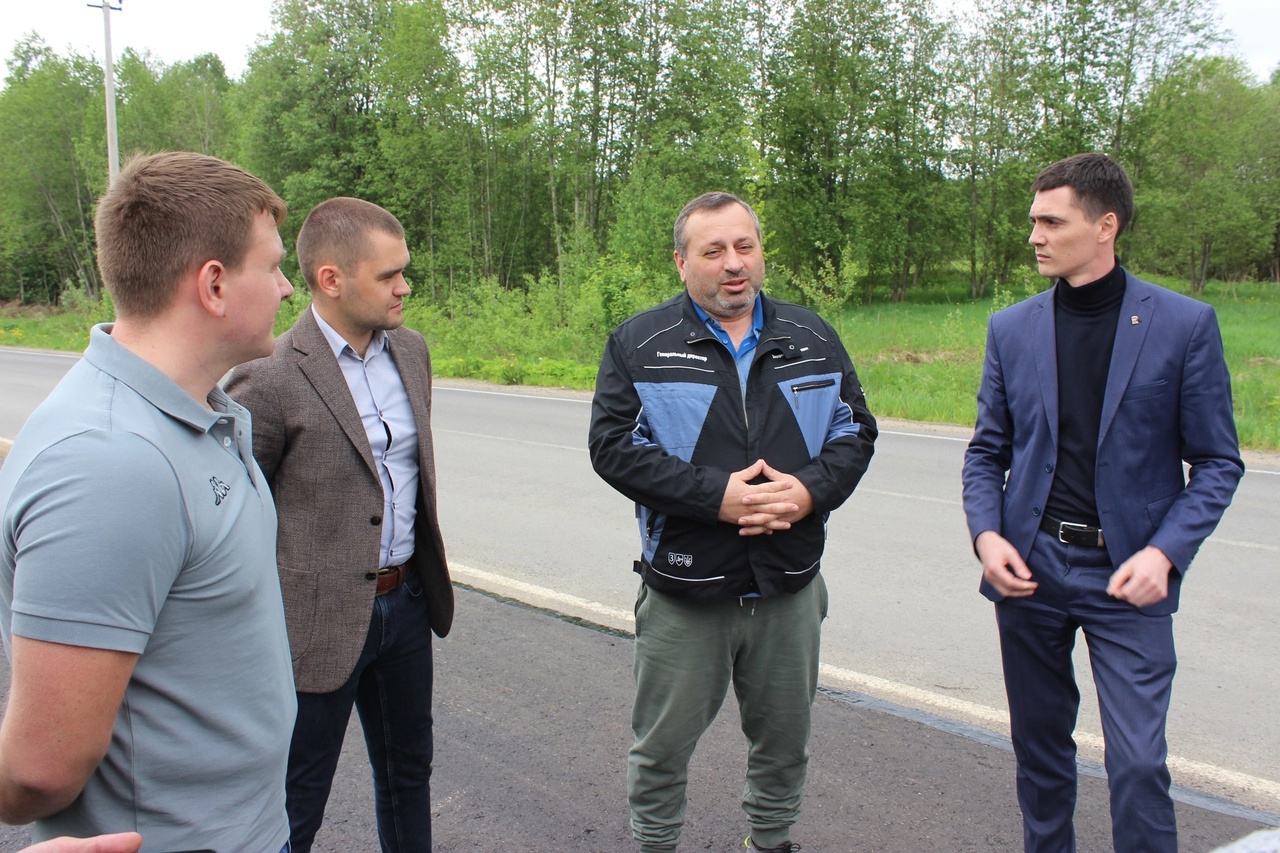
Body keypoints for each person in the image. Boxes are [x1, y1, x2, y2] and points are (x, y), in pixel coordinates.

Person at [0, 152, 296, 849]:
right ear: (215, 285)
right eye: (274, 265)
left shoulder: (201, 412)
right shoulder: (111, 463)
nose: (288, 286)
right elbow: (42, 770)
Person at [961, 153, 1244, 852]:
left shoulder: (1184, 325)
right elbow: (985, 452)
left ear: (1105, 225)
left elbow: (1217, 462)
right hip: (1030, 570)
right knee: (1041, 754)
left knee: (1140, 763)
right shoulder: (1012, 328)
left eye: (1051, 221)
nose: (1035, 235)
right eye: (1033, 221)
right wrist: (987, 536)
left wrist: (1165, 553)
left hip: (1128, 576)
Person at [589, 192, 877, 853]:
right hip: (686, 593)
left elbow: (854, 430)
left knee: (784, 743)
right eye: (713, 250)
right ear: (681, 260)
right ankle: (656, 843)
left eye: (744, 246)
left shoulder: (812, 337)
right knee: (661, 747)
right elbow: (613, 446)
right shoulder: (640, 343)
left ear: (761, 252)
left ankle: (770, 841)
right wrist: (712, 495)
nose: (732, 263)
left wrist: (808, 492)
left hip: (790, 586)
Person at [225, 197, 453, 852]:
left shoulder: (412, 352)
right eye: (389, 275)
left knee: (409, 775)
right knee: (297, 796)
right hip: (315, 623)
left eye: (403, 270)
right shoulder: (268, 376)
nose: (405, 286)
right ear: (331, 278)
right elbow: (239, 511)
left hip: (406, 604)